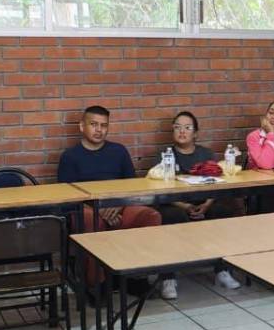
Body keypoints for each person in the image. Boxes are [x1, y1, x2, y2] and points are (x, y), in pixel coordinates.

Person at [57, 105, 161, 286]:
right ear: (82, 126)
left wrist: (118, 205)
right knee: (91, 220)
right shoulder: (70, 156)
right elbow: (66, 196)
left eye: (104, 125)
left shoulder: (118, 151)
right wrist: (98, 209)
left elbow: (132, 186)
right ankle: (97, 285)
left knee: (150, 216)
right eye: (94, 124)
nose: (99, 130)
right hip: (86, 208)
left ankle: (136, 278)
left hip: (119, 204)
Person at [155, 111, 239, 296]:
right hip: (176, 204)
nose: (182, 131)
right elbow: (159, 190)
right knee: (170, 216)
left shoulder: (205, 153)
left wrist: (207, 204)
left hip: (205, 202)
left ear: (196, 133)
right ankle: (168, 278)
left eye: (187, 127)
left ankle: (222, 270)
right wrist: (186, 206)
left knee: (223, 210)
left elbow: (217, 183)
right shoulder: (165, 156)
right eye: (177, 127)